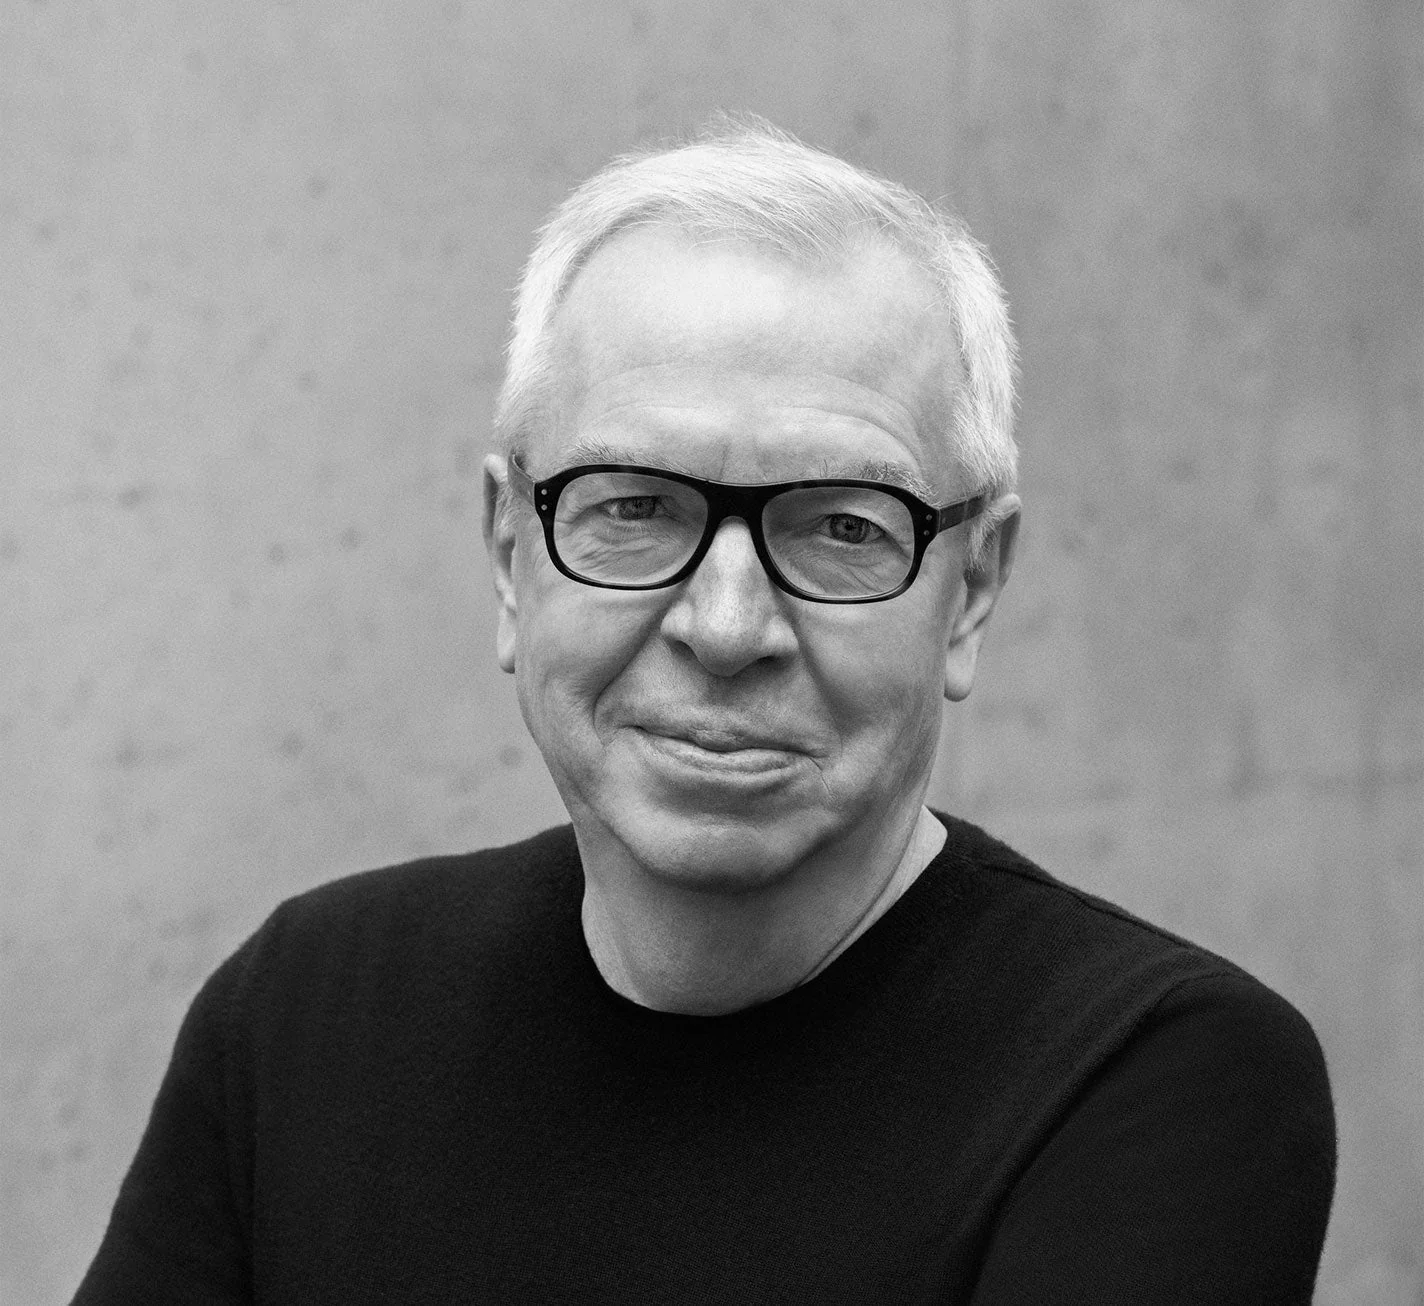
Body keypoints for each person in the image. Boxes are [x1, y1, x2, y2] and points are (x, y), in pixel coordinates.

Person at [74, 119, 1335, 1304]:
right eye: (634, 507)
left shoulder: (1156, 1081)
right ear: (510, 554)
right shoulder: (307, 1013)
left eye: (841, 526)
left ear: (969, 591)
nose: (726, 627)